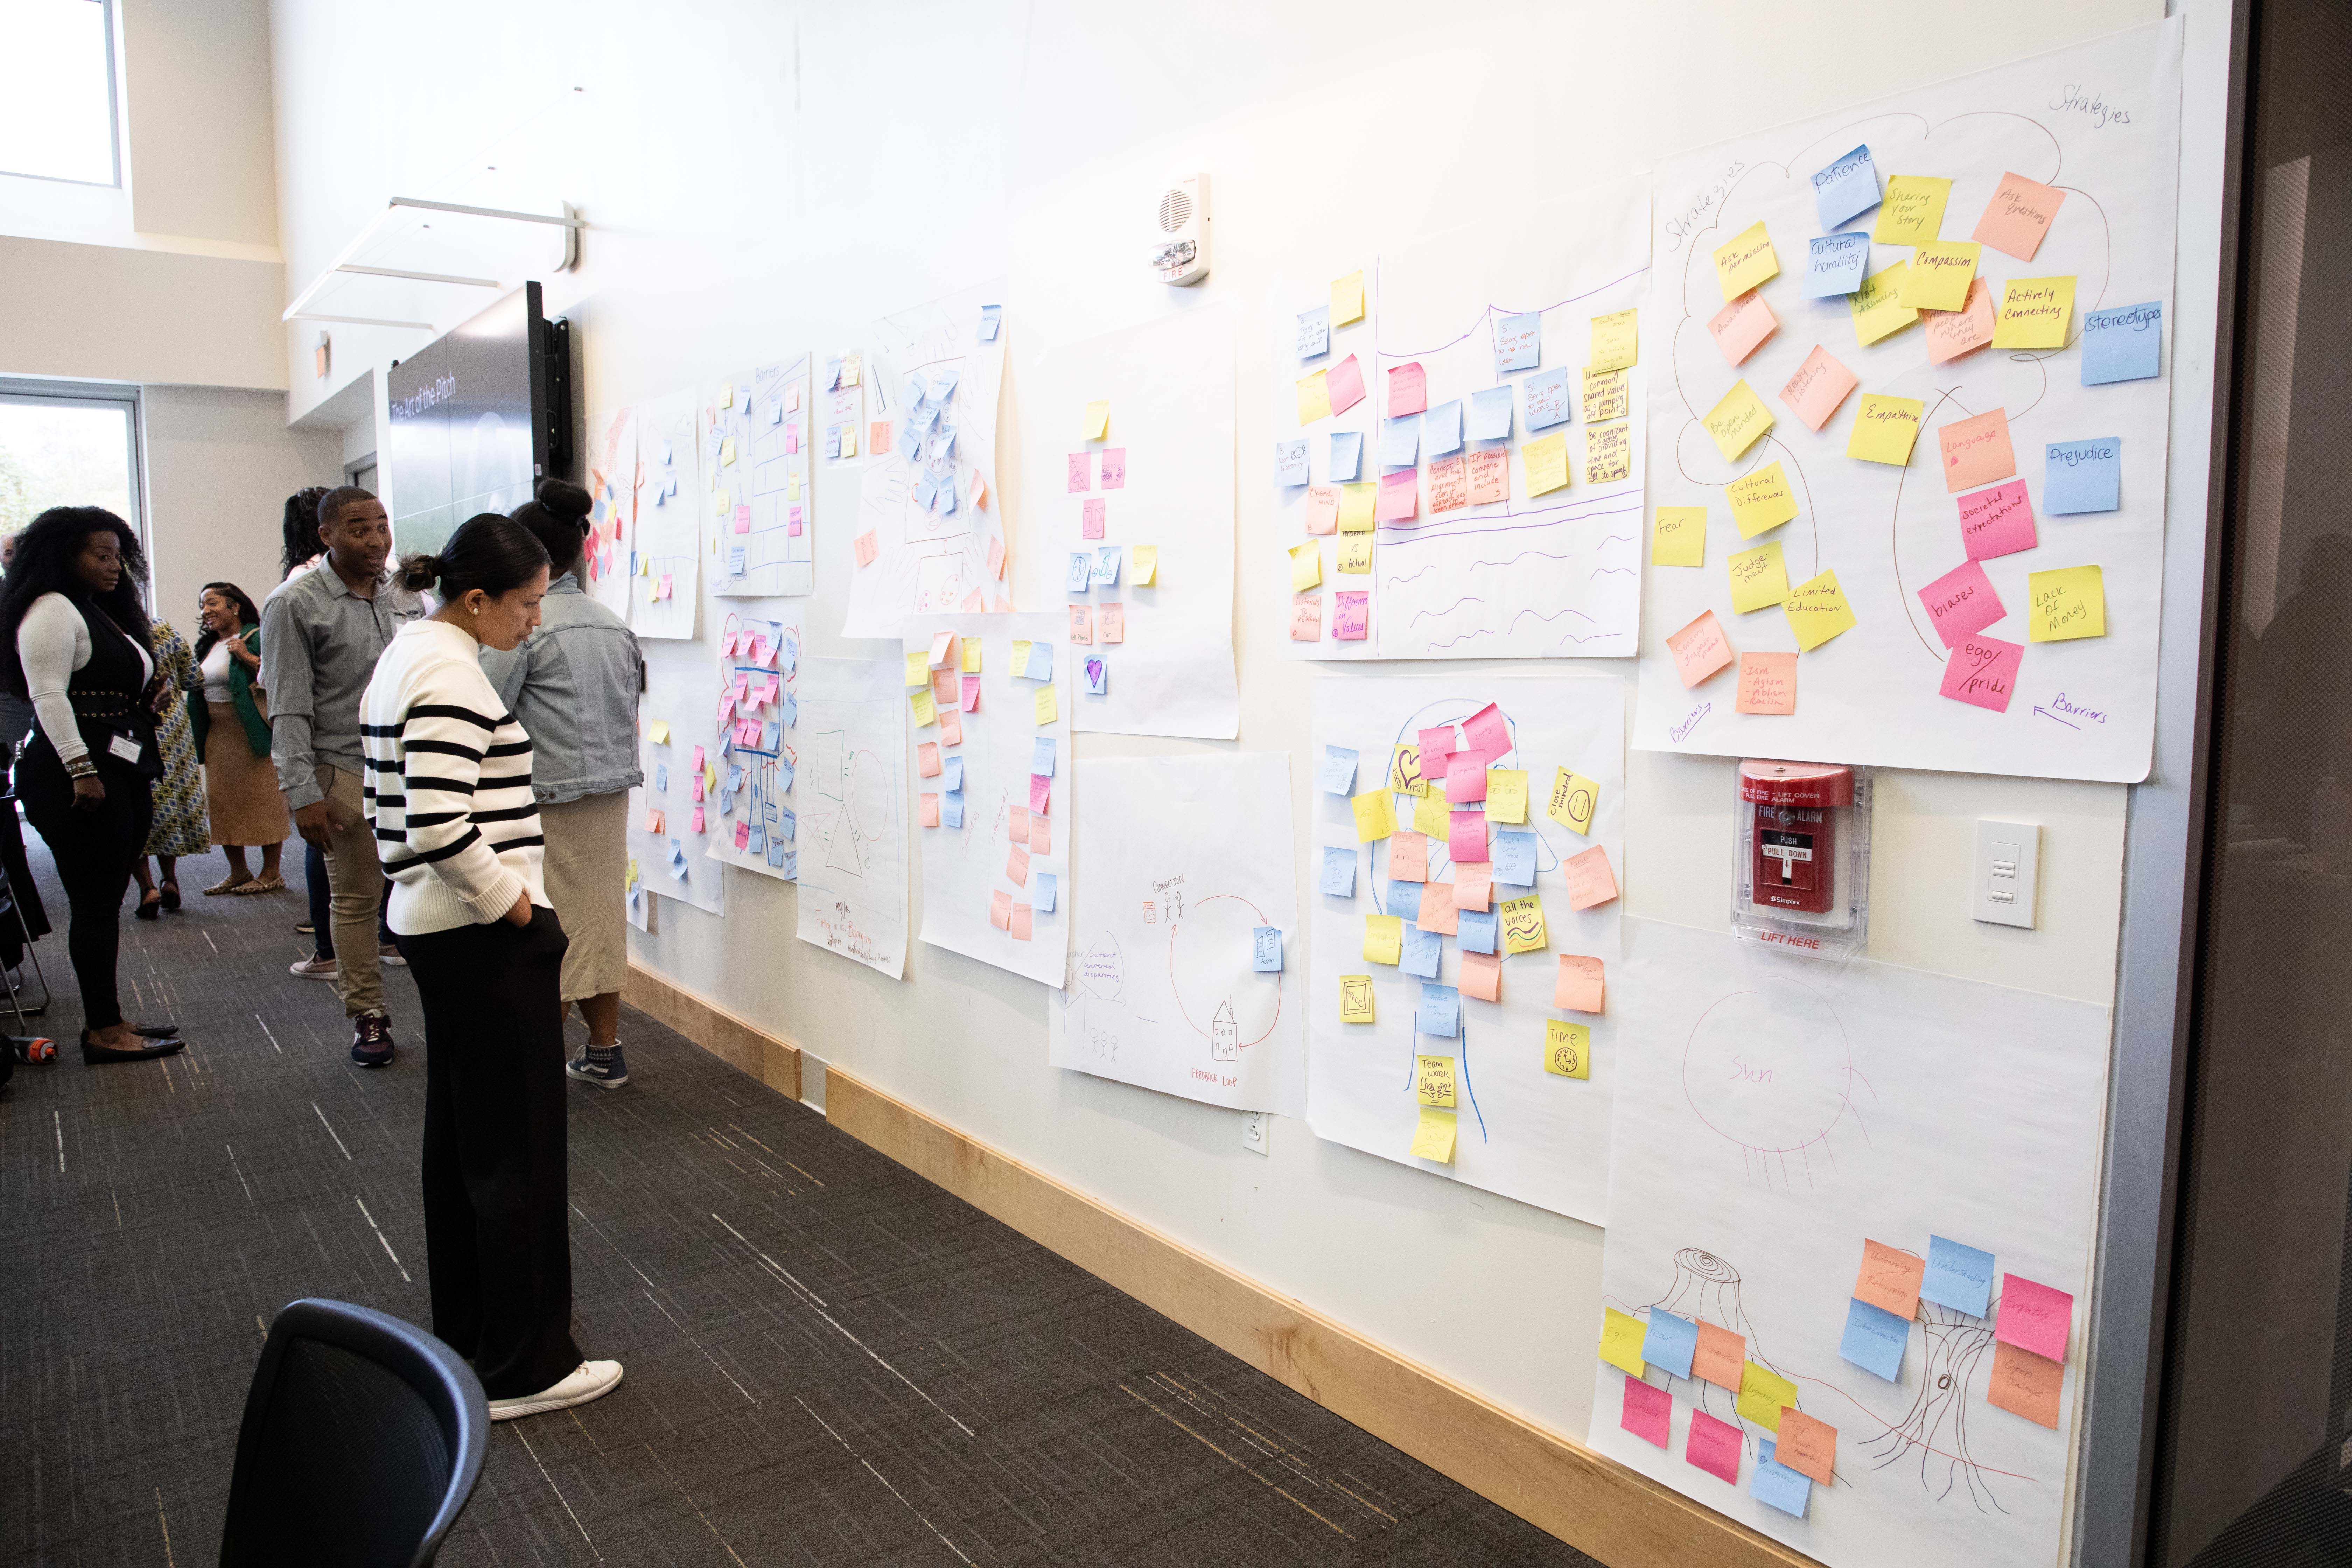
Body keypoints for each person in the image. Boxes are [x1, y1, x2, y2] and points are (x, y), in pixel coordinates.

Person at [365, 511, 621, 1420]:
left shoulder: (412, 653)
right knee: (514, 1152)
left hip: (443, 932)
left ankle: (477, 1340)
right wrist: (511, 903)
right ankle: (526, 1367)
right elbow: (439, 823)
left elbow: (398, 806)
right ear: (476, 600)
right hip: (478, 932)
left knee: (469, 1146)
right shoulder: (446, 671)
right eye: (526, 605)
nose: (535, 623)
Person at [0, 508, 183, 1063]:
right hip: (76, 777)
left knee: (104, 900)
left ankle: (110, 1019)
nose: (113, 567)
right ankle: (103, 1031)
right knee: (95, 903)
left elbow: (110, 683)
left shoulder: (93, 610)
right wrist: (82, 769)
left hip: (116, 768)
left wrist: (150, 693)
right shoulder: (50, 609)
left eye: (117, 556)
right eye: (99, 555)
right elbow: (49, 697)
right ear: (64, 555)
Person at [482, 479, 644, 1088]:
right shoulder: (612, 623)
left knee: (548, 932)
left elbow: (487, 708)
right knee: (600, 921)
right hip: (609, 795)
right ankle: (605, 1051)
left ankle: (534, 1067)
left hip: (544, 797)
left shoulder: (529, 624)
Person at [260, 486, 423, 1065]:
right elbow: (287, 706)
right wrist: (301, 793)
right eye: (359, 528)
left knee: (426, 887)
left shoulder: (406, 593)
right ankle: (369, 1016)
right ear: (326, 535)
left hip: (412, 766)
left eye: (382, 525)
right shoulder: (294, 602)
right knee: (356, 899)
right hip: (345, 769)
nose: (376, 539)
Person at [189, 582, 287, 893]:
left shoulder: (257, 636)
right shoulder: (208, 646)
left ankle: (271, 872)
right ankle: (239, 872)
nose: (206, 611)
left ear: (235, 607)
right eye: (203, 605)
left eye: (213, 603)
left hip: (252, 731)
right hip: (218, 734)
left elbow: (280, 675)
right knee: (222, 800)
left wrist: (247, 657)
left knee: (264, 800)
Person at [128, 618, 210, 918]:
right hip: (171, 728)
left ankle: (147, 887)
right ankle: (170, 880)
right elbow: (194, 678)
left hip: (129, 727)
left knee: (136, 804)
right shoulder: (163, 628)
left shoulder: (104, 628)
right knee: (169, 801)